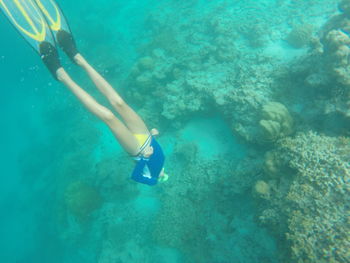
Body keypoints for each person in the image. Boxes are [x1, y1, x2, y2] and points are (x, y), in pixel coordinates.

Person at [0, 0, 167, 185]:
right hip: (147, 137)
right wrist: (154, 135)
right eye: (163, 174)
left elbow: (135, 176)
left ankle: (61, 74)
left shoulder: (151, 180)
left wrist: (144, 157)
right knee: (118, 101)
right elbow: (156, 153)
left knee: (109, 116)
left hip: (137, 149)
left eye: (162, 176)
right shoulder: (162, 161)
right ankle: (77, 57)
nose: (162, 174)